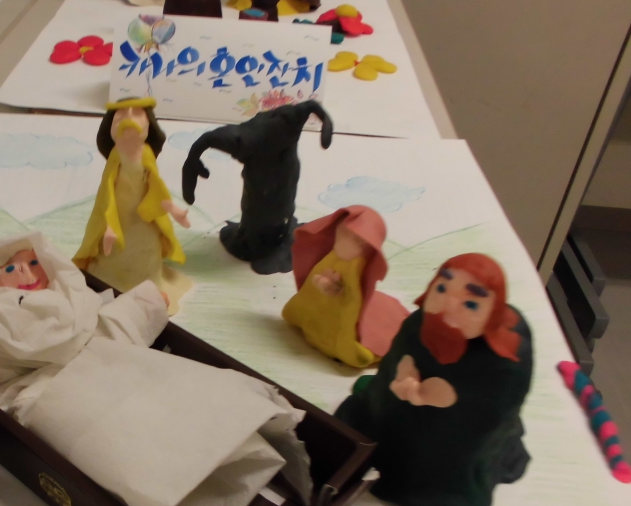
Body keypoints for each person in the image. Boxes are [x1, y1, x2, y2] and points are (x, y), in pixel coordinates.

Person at [0, 233, 311, 506]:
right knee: (122, 444)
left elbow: (112, 322)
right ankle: (164, 482)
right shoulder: (0, 326)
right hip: (55, 391)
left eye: (32, 262)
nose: (25, 273)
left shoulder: (77, 297)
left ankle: (227, 441)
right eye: (10, 269)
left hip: (119, 363)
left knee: (185, 404)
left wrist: (146, 304)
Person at [335, 253, 533, 506]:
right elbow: (396, 363)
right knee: (379, 416)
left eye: (470, 304)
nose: (448, 305)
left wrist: (444, 397)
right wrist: (403, 374)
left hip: (452, 441)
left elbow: (490, 413)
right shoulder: (418, 323)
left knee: (436, 459)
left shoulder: (504, 363)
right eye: (441, 288)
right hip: (395, 415)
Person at [182, 101, 333, 274]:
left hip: (282, 184)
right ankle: (257, 240)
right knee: (261, 210)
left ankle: (277, 237)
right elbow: (210, 139)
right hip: (260, 189)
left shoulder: (287, 121)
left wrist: (325, 124)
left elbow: (311, 107)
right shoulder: (250, 139)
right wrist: (194, 157)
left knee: (279, 206)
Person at [73, 97, 192, 315]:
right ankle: (111, 284)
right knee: (113, 258)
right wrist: (110, 226)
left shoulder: (146, 155)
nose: (128, 118)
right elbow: (106, 195)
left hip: (144, 222)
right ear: (110, 127)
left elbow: (156, 188)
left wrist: (173, 210)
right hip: (119, 219)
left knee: (143, 255)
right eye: (120, 115)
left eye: (137, 113)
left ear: (149, 125)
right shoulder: (115, 157)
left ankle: (147, 289)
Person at [282, 205, 408, 367]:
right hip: (316, 309)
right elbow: (314, 283)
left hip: (340, 321)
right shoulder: (332, 258)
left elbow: (350, 302)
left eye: (358, 239)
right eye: (342, 231)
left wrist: (334, 289)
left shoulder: (355, 269)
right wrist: (319, 283)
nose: (346, 240)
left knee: (358, 352)